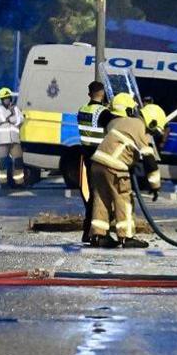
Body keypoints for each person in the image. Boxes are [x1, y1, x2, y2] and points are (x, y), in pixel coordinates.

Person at [87, 109, 162, 249]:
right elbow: (149, 160)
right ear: (151, 123)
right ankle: (126, 237)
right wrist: (155, 185)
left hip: (97, 163)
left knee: (101, 199)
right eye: (152, 132)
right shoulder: (139, 126)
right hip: (114, 166)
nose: (150, 135)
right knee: (123, 200)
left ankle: (99, 235)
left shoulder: (122, 121)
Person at [75, 81, 117, 244]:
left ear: (89, 93)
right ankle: (97, 233)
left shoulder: (83, 110)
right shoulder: (103, 112)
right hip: (99, 156)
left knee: (94, 196)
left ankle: (89, 232)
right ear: (103, 93)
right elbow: (114, 128)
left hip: (86, 154)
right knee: (100, 196)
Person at [0, 86, 25, 188]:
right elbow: (0, 118)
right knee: (2, 162)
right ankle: (3, 182)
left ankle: (19, 182)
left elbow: (20, 119)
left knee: (18, 161)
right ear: (0, 100)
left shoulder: (16, 108)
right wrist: (10, 113)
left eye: (8, 98)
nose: (7, 100)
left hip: (15, 140)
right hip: (2, 141)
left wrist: (10, 118)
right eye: (5, 98)